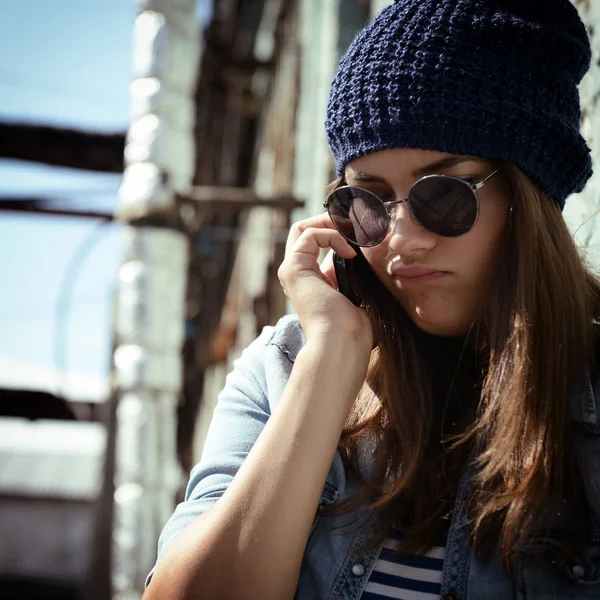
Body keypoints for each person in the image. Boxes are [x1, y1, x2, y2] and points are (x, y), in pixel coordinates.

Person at [143, 1, 600, 599]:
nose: (401, 240)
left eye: (445, 194)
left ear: (528, 195)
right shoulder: (284, 368)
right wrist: (333, 357)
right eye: (369, 203)